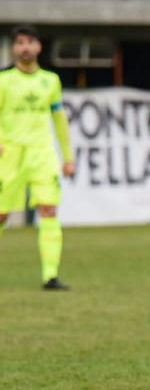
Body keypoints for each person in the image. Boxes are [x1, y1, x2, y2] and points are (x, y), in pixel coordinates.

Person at [0, 24, 76, 290]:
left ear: (39, 47)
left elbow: (59, 121)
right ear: (14, 48)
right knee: (1, 214)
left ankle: (50, 275)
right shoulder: (3, 80)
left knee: (49, 209)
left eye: (30, 42)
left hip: (42, 154)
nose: (25, 47)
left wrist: (68, 157)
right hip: (10, 153)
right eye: (20, 42)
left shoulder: (50, 81)